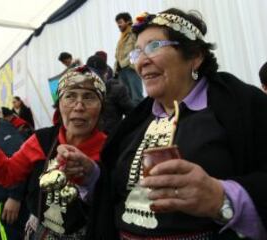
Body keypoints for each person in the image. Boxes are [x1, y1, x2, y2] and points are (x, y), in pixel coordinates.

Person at [87, 8, 267, 240]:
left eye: (153, 47)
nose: (141, 61)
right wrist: (90, 176)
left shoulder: (243, 107)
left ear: (195, 56)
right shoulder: (134, 124)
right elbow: (112, 192)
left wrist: (221, 198)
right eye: (137, 52)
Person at [0, 66, 107, 239]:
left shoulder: (112, 147)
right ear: (59, 105)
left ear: (101, 106)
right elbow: (7, 175)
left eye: (89, 97)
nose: (79, 106)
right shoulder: (42, 140)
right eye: (70, 96)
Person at [86, 55, 134, 134]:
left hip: (111, 139)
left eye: (97, 75)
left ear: (105, 74)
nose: (94, 78)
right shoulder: (82, 91)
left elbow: (132, 114)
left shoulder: (117, 90)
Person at [115, 12, 144, 106]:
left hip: (130, 69)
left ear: (128, 22)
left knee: (137, 97)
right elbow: (118, 55)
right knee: (127, 99)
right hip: (121, 70)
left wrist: (132, 64)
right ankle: (133, 118)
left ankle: (143, 119)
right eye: (117, 23)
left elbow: (139, 48)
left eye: (120, 22)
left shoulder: (134, 33)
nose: (118, 25)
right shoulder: (122, 37)